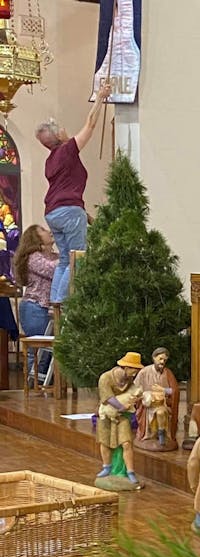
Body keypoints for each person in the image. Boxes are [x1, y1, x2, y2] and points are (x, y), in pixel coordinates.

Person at [35, 82, 111, 303]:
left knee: (65, 261)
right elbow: (91, 124)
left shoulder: (51, 160)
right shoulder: (67, 150)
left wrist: (84, 214)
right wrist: (100, 97)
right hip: (68, 212)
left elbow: (64, 190)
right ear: (58, 134)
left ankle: (55, 305)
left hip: (53, 213)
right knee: (77, 258)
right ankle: (65, 306)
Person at [14, 224, 58, 378]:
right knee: (38, 351)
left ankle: (40, 387)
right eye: (44, 231)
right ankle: (33, 387)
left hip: (44, 308)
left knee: (46, 353)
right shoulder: (34, 257)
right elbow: (52, 270)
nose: (49, 232)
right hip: (35, 308)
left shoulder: (53, 256)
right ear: (36, 238)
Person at [95, 351, 144, 488]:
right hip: (106, 413)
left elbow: (133, 392)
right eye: (134, 370)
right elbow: (107, 397)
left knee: (126, 443)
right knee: (105, 442)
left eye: (137, 370)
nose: (135, 373)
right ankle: (107, 467)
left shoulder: (129, 380)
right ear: (126, 367)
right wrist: (121, 406)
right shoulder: (105, 378)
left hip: (123, 416)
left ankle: (130, 471)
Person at [133, 347, 180, 450]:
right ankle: (150, 434)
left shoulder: (168, 373)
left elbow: (175, 391)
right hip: (147, 406)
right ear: (154, 358)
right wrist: (144, 395)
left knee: (161, 413)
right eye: (160, 359)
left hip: (162, 404)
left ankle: (161, 434)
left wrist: (163, 390)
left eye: (164, 360)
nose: (162, 362)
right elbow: (135, 389)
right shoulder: (144, 372)